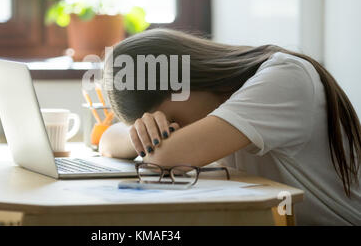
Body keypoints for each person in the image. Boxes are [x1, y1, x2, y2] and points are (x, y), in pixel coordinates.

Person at [98, 28, 360, 225]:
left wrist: (153, 143)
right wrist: (140, 134)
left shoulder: (285, 77)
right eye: (164, 127)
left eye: (170, 121)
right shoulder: (224, 107)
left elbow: (165, 156)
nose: (175, 131)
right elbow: (106, 140)